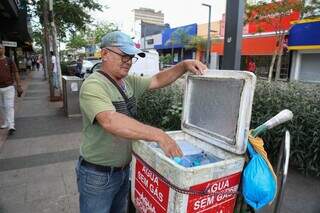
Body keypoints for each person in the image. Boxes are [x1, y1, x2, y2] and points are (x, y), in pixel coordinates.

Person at [76, 31, 207, 213]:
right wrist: (159, 135)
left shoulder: (127, 82)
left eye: (131, 57)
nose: (128, 61)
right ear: (105, 54)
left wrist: (183, 65)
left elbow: (156, 79)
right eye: (123, 56)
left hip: (123, 170)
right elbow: (110, 120)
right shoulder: (93, 85)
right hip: (98, 175)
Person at [0, 43, 23, 135]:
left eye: (0, 48)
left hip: (9, 87)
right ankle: (6, 122)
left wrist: (19, 85)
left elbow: (16, 72)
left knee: (9, 106)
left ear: (3, 49)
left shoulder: (9, 60)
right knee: (1, 107)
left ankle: (11, 126)